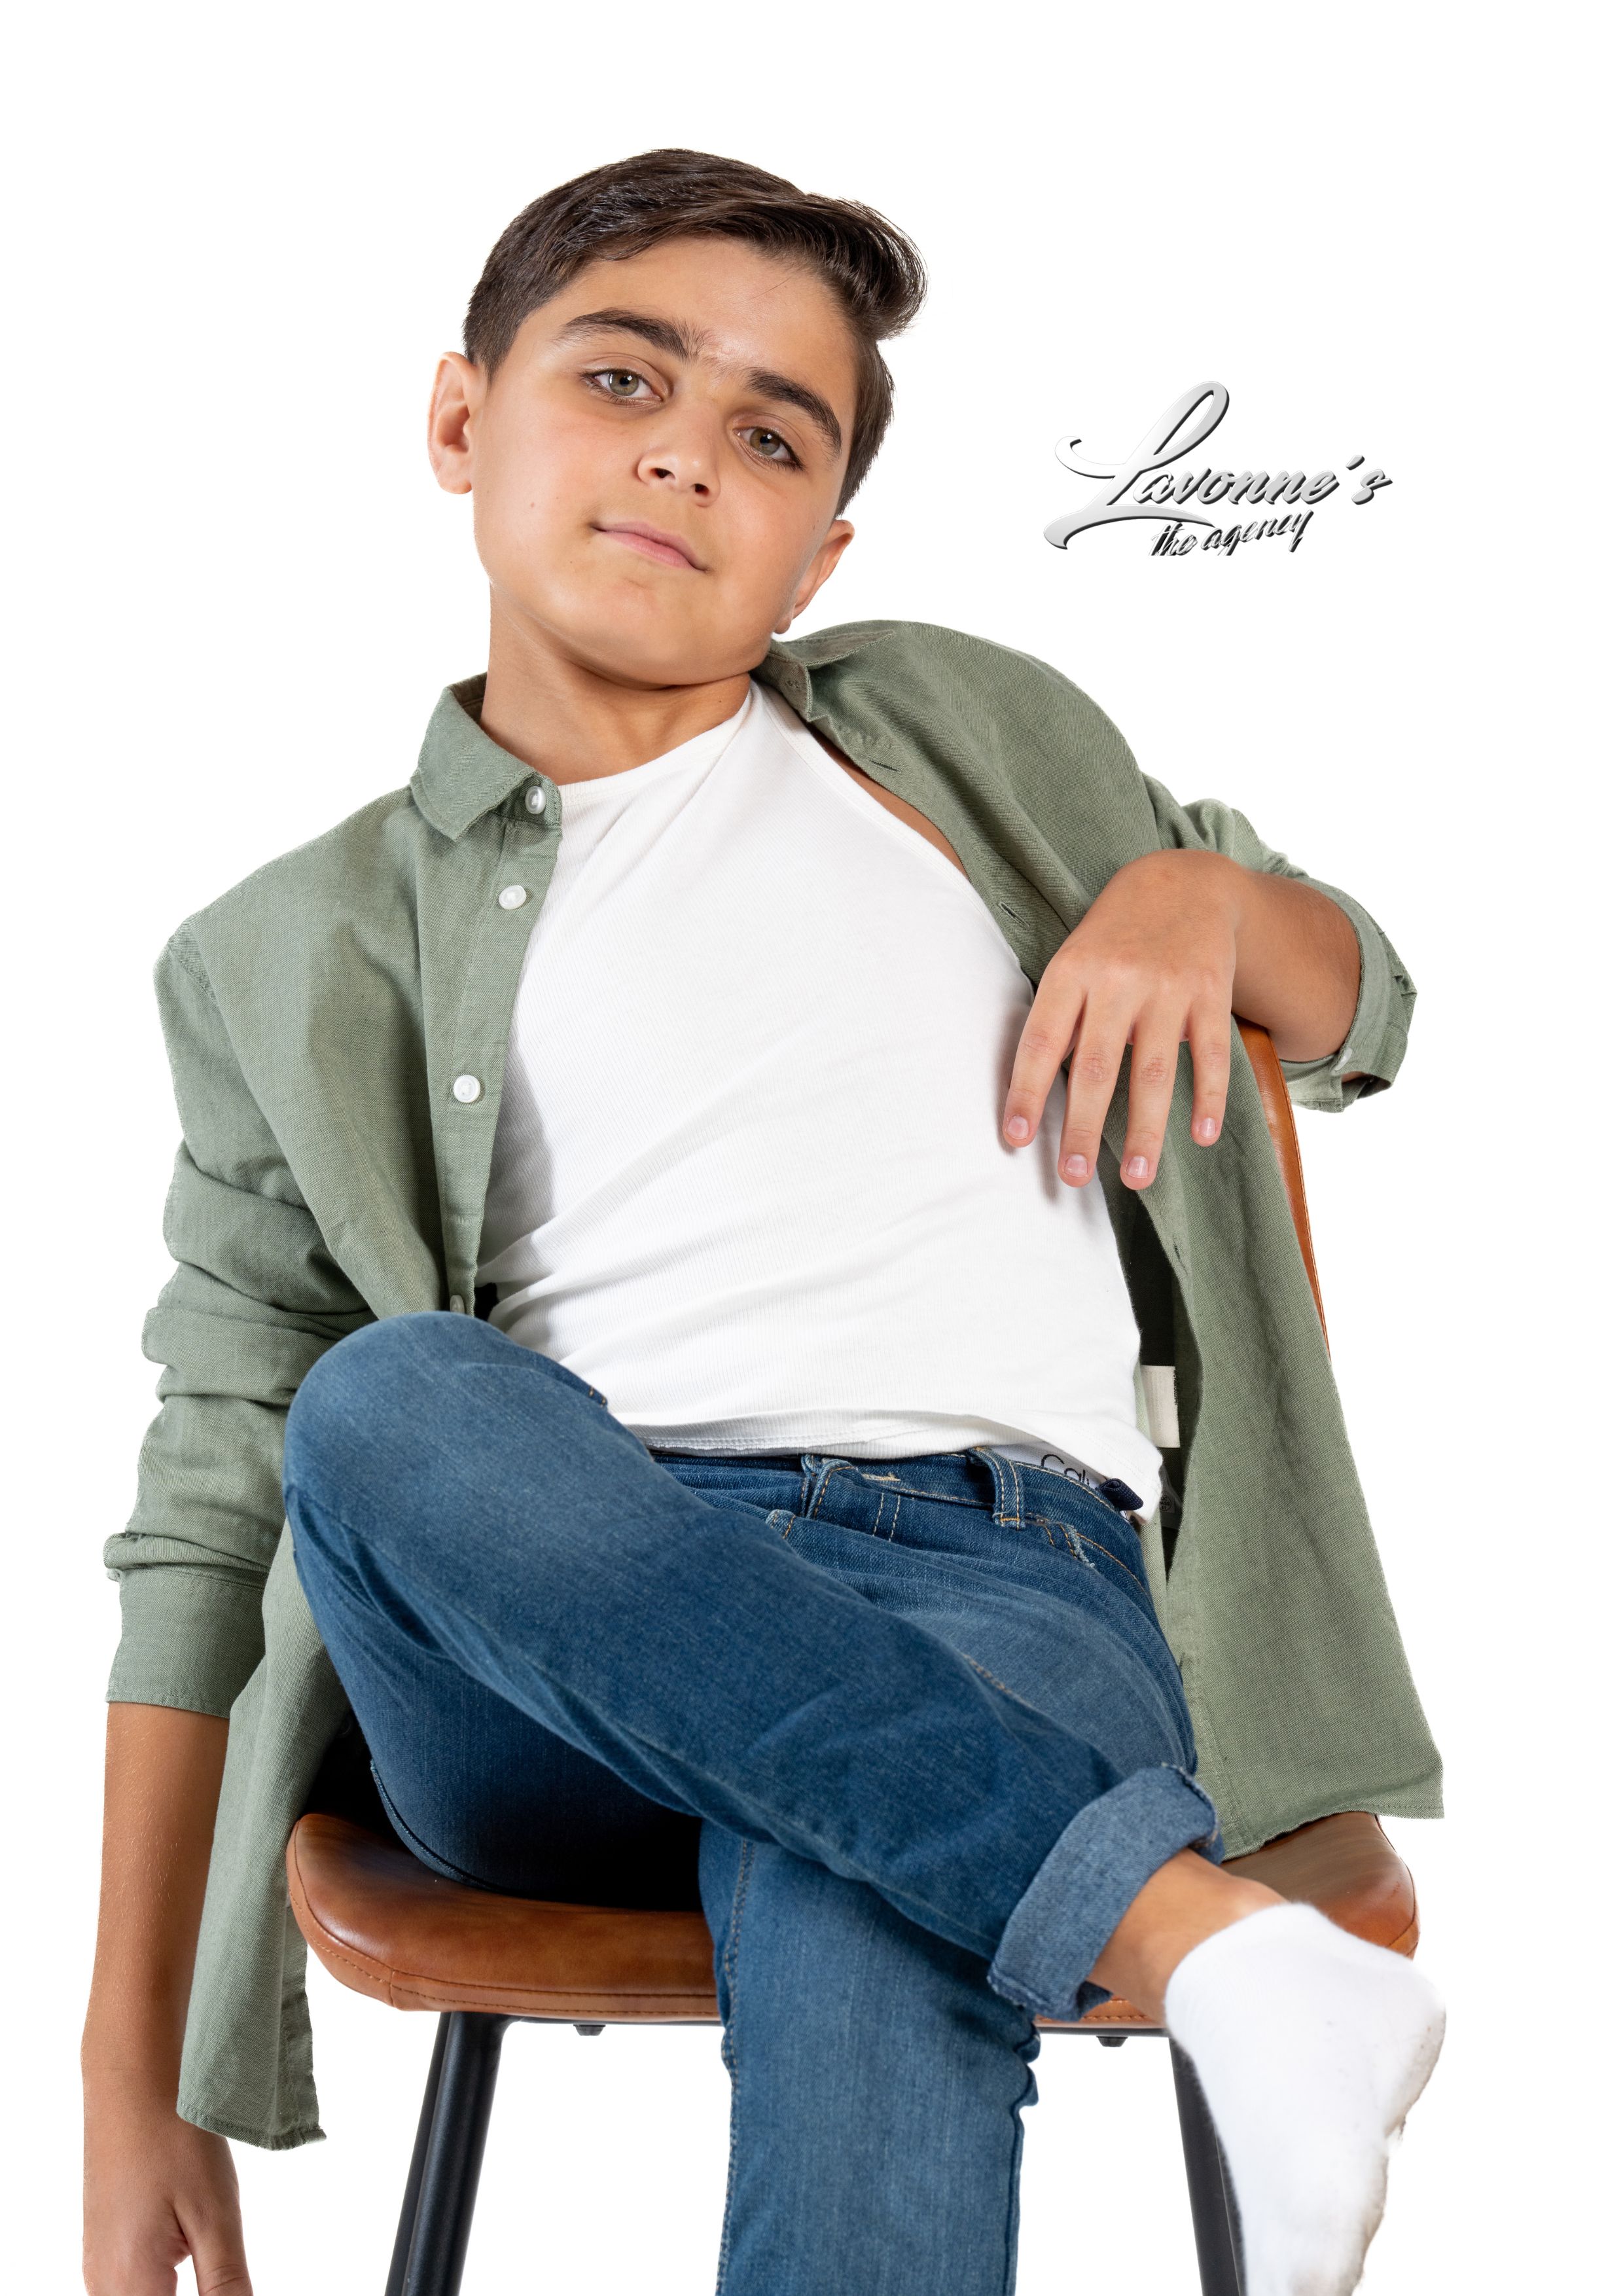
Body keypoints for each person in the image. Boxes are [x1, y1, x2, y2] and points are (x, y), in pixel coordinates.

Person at [81, 149, 1445, 2296]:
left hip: (1008, 1576)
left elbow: (1362, 1010)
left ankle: (1125, 1903)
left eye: (772, 436)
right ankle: (1195, 1937)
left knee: (867, 1858)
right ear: (461, 418)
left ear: (823, 550)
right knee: (388, 1401)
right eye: (623, 378)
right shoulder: (284, 950)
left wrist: (1206, 897)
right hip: (555, 1642)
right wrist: (129, 2069)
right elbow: (208, 1516)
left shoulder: (965, 741)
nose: (685, 456)